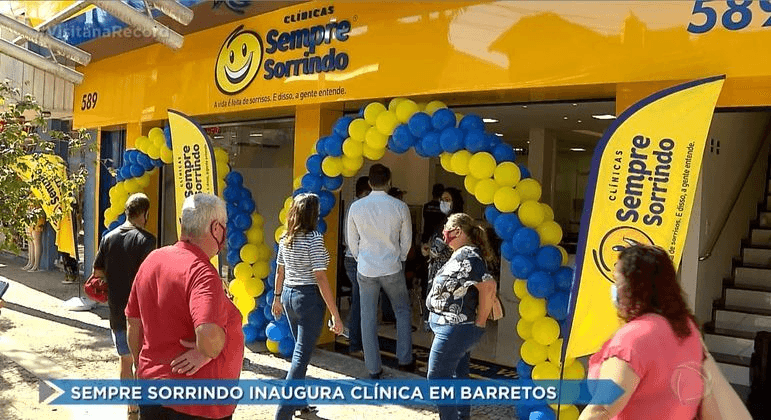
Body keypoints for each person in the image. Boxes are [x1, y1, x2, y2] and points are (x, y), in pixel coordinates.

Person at [126, 193, 244, 420]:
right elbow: (208, 337)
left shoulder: (153, 259)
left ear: (183, 224)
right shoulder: (201, 272)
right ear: (217, 228)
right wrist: (207, 351)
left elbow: (133, 322)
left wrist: (143, 363)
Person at [578, 245, 703, 420]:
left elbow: (600, 410)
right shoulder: (689, 330)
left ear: (635, 286)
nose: (614, 288)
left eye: (617, 280)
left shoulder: (635, 337)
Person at [272, 193, 344, 420]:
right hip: (308, 298)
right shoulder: (313, 238)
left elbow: (279, 271)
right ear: (312, 213)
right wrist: (336, 314)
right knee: (301, 357)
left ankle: (299, 402)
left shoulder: (286, 237)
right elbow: (320, 277)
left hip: (289, 296)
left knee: (298, 352)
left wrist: (276, 297)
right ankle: (282, 413)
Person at [425, 213, 499, 420]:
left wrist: (480, 323)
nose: (443, 233)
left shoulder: (470, 255)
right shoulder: (462, 253)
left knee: (437, 377)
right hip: (451, 326)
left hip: (456, 327)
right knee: (458, 376)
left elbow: (488, 287)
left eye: (446, 228)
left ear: (457, 231)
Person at [347, 164, 414, 378]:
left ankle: (373, 367)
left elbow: (352, 240)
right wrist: (401, 257)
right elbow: (407, 240)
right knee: (402, 311)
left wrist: (360, 258)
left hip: (366, 267)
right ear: (389, 181)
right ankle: (404, 359)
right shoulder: (400, 206)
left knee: (367, 317)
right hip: (392, 266)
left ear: (369, 182)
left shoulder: (356, 207)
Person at [92, 193, 155, 418]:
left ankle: (131, 407)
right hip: (141, 313)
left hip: (117, 310)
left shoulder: (108, 238)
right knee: (142, 361)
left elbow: (97, 273)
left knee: (125, 360)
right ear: (145, 214)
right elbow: (151, 277)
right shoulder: (147, 240)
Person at [420, 187, 465, 328]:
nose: (443, 203)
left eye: (447, 200)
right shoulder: (449, 221)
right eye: (442, 200)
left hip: (445, 273)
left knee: (440, 314)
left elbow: (436, 250)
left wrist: (427, 250)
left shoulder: (453, 223)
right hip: (443, 272)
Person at [343, 176, 371, 355]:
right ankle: (355, 344)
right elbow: (350, 239)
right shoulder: (358, 208)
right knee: (360, 303)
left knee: (361, 302)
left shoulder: (356, 207)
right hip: (356, 259)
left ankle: (357, 339)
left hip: (355, 259)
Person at [22, 208, 45, 272]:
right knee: (30, 241)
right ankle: (30, 262)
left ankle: (36, 265)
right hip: (29, 215)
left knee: (36, 242)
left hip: (37, 216)